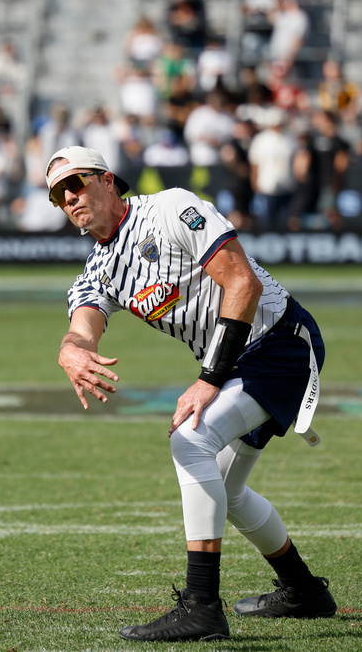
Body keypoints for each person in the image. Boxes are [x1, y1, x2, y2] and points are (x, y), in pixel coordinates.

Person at [48, 145, 336, 643]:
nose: (70, 197)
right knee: (227, 492)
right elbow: (83, 327)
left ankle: (202, 606)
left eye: (77, 182)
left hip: (279, 343)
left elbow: (241, 283)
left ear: (108, 180)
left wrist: (208, 379)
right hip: (239, 363)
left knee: (190, 440)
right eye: (59, 194)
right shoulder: (98, 269)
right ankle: (304, 590)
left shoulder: (169, 208)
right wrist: (71, 351)